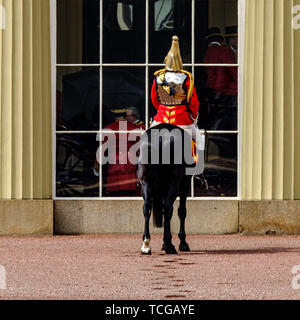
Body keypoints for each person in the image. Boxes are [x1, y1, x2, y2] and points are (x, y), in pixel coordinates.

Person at [150, 35, 203, 165]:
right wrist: (194, 117)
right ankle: (198, 169)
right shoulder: (187, 78)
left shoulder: (158, 77)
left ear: (166, 61)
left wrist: (162, 110)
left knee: (145, 138)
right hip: (181, 120)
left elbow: (154, 99)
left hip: (161, 119)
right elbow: (193, 102)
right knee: (199, 140)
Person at [95, 108, 143, 196]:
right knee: (130, 193)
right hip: (130, 164)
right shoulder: (135, 128)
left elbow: (101, 151)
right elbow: (141, 151)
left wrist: (97, 166)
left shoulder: (107, 128)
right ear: (125, 116)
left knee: (115, 194)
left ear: (113, 116)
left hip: (114, 165)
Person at [204, 27, 237, 130]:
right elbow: (233, 71)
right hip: (227, 92)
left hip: (212, 91)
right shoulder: (225, 51)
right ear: (221, 40)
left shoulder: (208, 52)